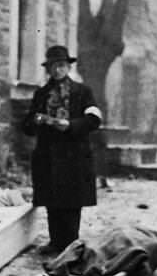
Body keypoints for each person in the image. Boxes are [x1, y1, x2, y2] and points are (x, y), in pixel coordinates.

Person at [23, 44, 104, 254]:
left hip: (74, 154)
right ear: (48, 70)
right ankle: (55, 242)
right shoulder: (41, 94)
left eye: (61, 66)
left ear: (68, 67)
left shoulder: (82, 92)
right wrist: (37, 120)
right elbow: (27, 126)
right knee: (52, 199)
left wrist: (71, 125)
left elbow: (94, 120)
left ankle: (70, 243)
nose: (57, 70)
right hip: (48, 154)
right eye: (53, 67)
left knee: (72, 201)